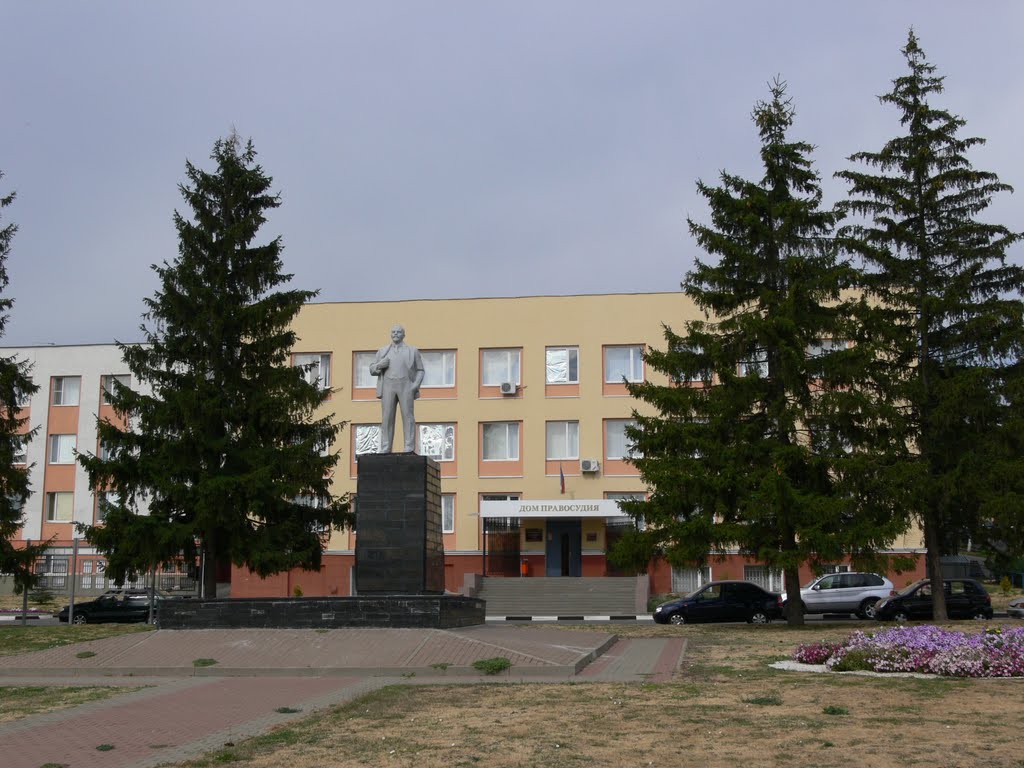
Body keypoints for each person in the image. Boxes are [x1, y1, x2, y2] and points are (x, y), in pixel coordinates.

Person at [369, 324, 425, 453]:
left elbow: (420, 370)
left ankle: (409, 447)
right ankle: (385, 447)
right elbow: (372, 369)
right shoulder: (383, 351)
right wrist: (380, 365)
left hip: (406, 385)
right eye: (393, 332)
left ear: (403, 335)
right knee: (387, 417)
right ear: (390, 334)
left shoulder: (412, 351)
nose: (395, 334)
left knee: (408, 416)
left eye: (398, 332)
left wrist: (415, 385)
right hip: (388, 386)